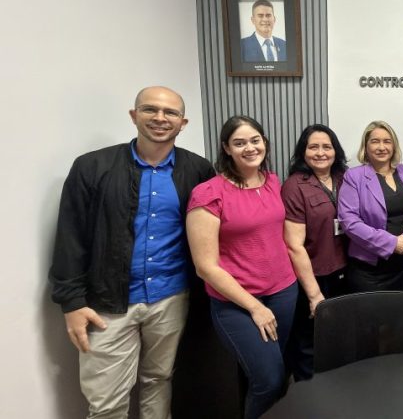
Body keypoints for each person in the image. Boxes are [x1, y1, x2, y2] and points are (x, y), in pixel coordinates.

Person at [49, 86, 214, 419]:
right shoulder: (92, 167)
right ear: (134, 115)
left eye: (170, 113)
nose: (160, 118)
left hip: (171, 297)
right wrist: (72, 302)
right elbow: (70, 236)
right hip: (107, 303)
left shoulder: (198, 170)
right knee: (106, 403)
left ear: (183, 123)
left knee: (159, 380)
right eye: (150, 109)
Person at [186, 116, 320, 419]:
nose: (250, 148)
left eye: (255, 140)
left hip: (283, 292)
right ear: (226, 148)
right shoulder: (209, 193)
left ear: (265, 143)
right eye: (240, 143)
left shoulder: (272, 181)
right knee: (269, 380)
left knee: (271, 372)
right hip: (237, 303)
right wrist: (255, 307)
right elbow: (205, 267)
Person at [281, 124, 350, 381]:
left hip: (346, 271)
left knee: (339, 336)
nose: (321, 153)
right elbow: (293, 245)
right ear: (303, 152)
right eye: (313, 147)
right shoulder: (294, 186)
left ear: (335, 151)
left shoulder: (346, 178)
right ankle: (308, 394)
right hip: (313, 276)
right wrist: (313, 294)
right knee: (308, 342)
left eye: (326, 147)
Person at [338, 121, 403, 292]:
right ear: (366, 146)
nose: (382, 147)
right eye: (375, 141)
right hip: (369, 269)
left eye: (387, 141)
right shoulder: (354, 176)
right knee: (370, 310)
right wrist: (391, 243)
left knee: (401, 308)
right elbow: (349, 222)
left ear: (394, 145)